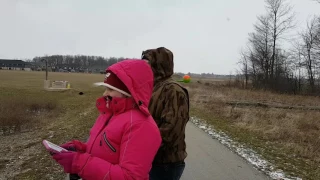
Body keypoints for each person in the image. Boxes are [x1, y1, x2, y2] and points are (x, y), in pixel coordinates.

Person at [50, 59, 162, 180]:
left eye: (110, 89)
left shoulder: (141, 126)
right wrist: (81, 149)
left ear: (129, 92)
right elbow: (106, 151)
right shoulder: (110, 113)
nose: (104, 94)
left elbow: (130, 177)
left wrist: (80, 163)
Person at [141, 47, 190, 180]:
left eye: (147, 64)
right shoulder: (151, 87)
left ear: (158, 65)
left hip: (165, 163)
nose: (143, 68)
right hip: (150, 160)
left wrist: (142, 145)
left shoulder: (173, 90)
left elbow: (171, 130)